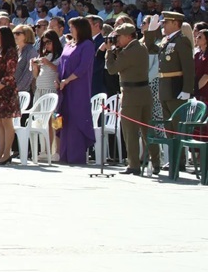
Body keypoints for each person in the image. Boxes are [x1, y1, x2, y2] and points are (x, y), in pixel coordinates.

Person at [142, 11, 196, 171]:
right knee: (169, 129)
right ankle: (174, 160)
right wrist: (150, 31)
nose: (163, 25)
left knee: (177, 127)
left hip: (176, 88)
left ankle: (179, 162)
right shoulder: (166, 41)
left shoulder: (182, 41)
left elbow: (188, 67)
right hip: (164, 88)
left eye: (166, 22)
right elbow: (151, 48)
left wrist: (187, 89)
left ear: (175, 23)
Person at [105, 24, 155, 175]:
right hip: (144, 92)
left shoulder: (129, 51)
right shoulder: (141, 47)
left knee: (130, 131)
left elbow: (112, 69)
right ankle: (156, 161)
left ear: (128, 36)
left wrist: (109, 52)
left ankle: (133, 164)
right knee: (148, 131)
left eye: (119, 37)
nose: (116, 40)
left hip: (131, 94)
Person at [56, 17, 96, 165]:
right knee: (64, 119)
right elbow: (61, 64)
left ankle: (76, 156)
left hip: (78, 87)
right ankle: (64, 154)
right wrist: (58, 79)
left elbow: (83, 67)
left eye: (72, 27)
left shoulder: (87, 45)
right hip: (64, 88)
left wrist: (68, 79)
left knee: (76, 118)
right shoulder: (68, 45)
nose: (70, 30)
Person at [0, 26, 20, 165]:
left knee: (7, 122)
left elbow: (9, 74)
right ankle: (1, 152)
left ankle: (7, 152)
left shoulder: (11, 52)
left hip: (5, 92)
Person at [13, 24, 37, 100]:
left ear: (26, 35)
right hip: (12, 91)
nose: (15, 36)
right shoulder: (15, 50)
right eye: (14, 33)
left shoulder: (31, 51)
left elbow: (29, 74)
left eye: (18, 33)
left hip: (23, 93)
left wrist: (17, 89)